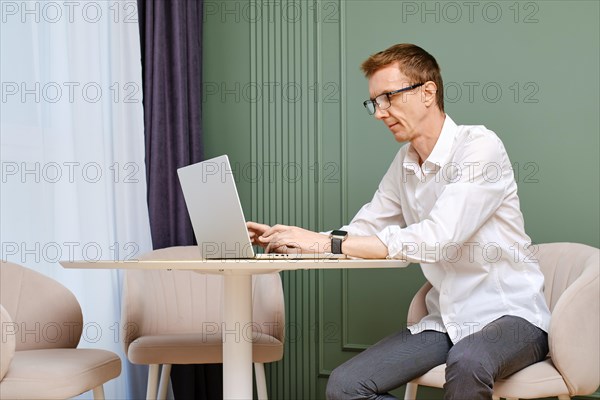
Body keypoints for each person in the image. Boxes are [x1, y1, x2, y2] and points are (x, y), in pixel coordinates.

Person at [246, 43, 551, 400]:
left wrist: (327, 243)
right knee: (345, 386)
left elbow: (439, 238)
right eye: (375, 102)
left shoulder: (480, 148)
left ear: (428, 92)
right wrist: (299, 238)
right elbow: (364, 230)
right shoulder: (404, 163)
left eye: (389, 97)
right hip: (447, 321)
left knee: (468, 361)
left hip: (513, 318)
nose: (380, 112)